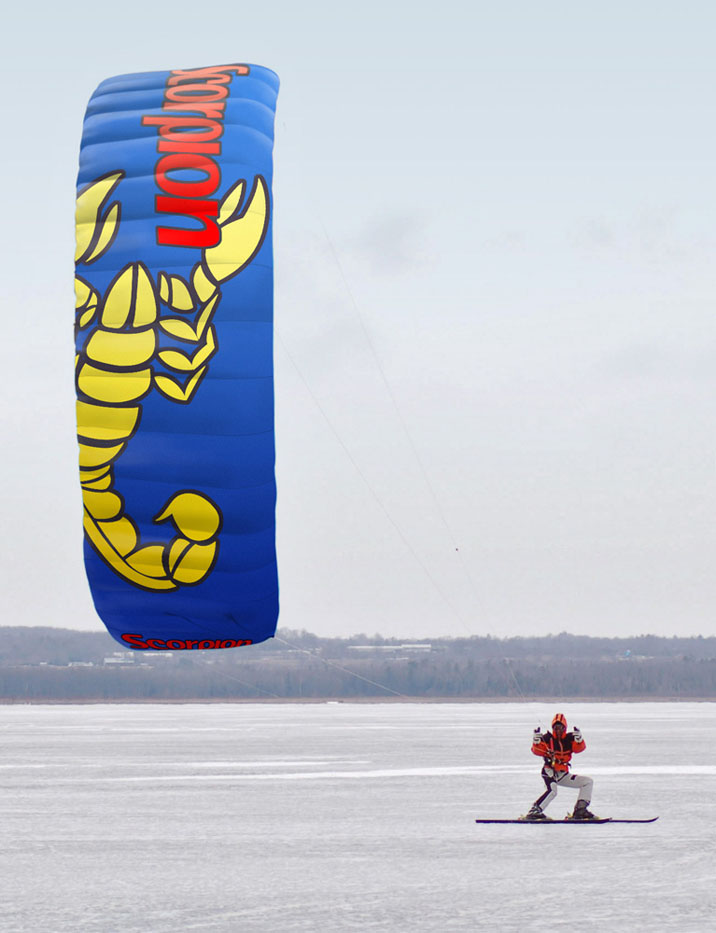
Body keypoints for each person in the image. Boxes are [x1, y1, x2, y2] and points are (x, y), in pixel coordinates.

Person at [524, 713, 597, 821]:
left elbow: (579, 749)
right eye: (556, 728)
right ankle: (534, 811)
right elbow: (537, 751)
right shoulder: (547, 739)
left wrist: (579, 740)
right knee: (552, 790)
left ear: (565, 728)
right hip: (549, 772)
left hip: (563, 774)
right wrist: (536, 742)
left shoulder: (569, 739)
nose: (558, 731)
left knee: (587, 782)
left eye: (561, 728)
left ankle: (580, 810)